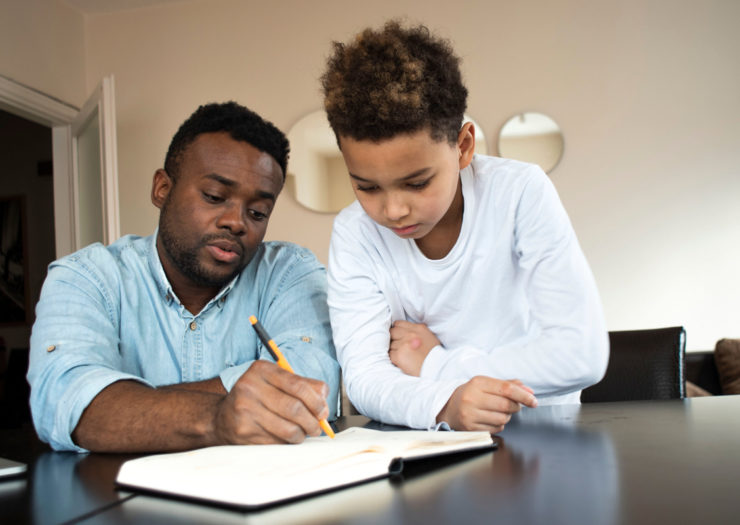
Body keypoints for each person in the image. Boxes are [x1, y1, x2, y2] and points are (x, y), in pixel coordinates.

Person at [322, 21, 608, 432]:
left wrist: (439, 365)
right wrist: (446, 406)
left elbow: (580, 353)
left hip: (544, 430)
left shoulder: (520, 192)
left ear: (463, 147)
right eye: (366, 186)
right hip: (430, 440)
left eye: (417, 183)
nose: (394, 209)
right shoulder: (355, 233)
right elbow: (365, 379)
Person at [27, 102, 340, 452]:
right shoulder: (85, 277)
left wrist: (123, 403)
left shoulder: (289, 272)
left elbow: (310, 383)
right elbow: (65, 401)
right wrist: (217, 416)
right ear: (162, 189)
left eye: (257, 212)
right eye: (214, 196)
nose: (236, 222)